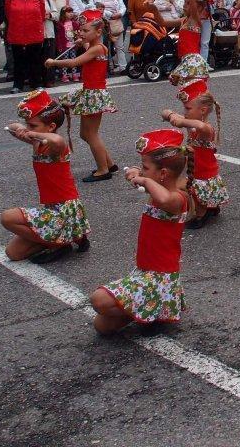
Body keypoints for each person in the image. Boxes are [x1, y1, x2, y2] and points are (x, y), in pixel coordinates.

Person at [89, 129, 192, 334]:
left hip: (159, 279)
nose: (143, 172)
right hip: (145, 273)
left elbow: (164, 199)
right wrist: (138, 171)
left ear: (163, 174)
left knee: (98, 300)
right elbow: (155, 189)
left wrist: (144, 180)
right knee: (101, 326)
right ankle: (152, 312)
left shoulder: (178, 199)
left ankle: (156, 307)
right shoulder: (159, 189)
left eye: (146, 167)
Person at [1, 89, 90, 263]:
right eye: (28, 125)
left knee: (7, 218)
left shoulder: (55, 146)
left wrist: (34, 134)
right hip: (50, 209)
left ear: (51, 127)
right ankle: (65, 239)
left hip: (64, 210)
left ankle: (59, 243)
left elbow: (59, 141)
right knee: (13, 253)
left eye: (33, 125)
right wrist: (22, 129)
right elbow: (12, 127)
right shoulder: (37, 141)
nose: (28, 129)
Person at [45, 9, 118, 182]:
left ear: (98, 32)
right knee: (85, 134)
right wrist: (82, 42)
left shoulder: (97, 48)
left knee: (91, 134)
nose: (81, 33)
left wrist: (54, 62)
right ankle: (109, 163)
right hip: (90, 92)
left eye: (86, 31)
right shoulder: (95, 46)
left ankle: (103, 170)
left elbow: (74, 62)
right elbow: (87, 49)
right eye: (81, 30)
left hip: (94, 94)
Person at [163, 78, 226, 229]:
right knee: (195, 188)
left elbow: (198, 125)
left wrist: (181, 121)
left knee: (191, 189)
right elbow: (165, 112)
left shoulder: (206, 129)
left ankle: (201, 214)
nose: (185, 112)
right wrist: (171, 114)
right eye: (185, 108)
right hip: (197, 168)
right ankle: (212, 207)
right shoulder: (192, 121)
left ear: (203, 110)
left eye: (188, 108)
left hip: (204, 171)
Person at [3, 0, 46, 94]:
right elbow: (8, 14)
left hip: (34, 34)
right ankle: (18, 85)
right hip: (17, 34)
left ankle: (36, 83)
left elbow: (42, 15)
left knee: (35, 60)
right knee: (18, 61)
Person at [93, 0, 127, 74]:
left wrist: (120, 14)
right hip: (104, 23)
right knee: (104, 46)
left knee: (119, 46)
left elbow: (123, 7)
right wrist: (110, 14)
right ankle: (107, 67)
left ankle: (123, 67)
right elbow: (98, 9)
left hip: (116, 23)